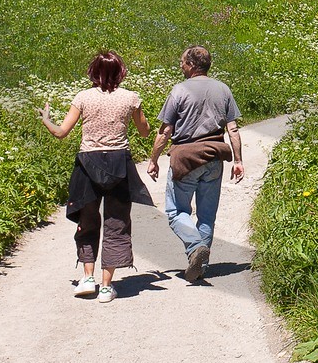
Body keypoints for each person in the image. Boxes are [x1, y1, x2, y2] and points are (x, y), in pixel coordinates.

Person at [39, 50, 152, 304]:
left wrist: (46, 119)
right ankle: (106, 286)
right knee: (116, 223)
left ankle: (87, 278)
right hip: (119, 164)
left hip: (87, 164)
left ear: (94, 72)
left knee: (88, 221)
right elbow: (144, 132)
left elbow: (61, 132)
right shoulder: (130, 98)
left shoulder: (83, 97)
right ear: (120, 72)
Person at [147, 45, 243, 282]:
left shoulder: (179, 91)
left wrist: (154, 159)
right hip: (214, 156)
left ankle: (195, 248)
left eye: (182, 62)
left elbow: (165, 130)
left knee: (176, 211)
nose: (180, 65)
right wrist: (238, 160)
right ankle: (200, 265)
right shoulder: (223, 89)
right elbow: (233, 129)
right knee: (207, 215)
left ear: (191, 65)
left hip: (186, 159)